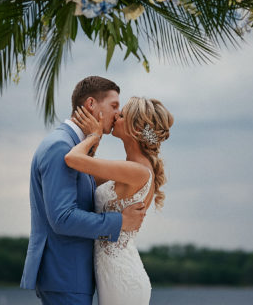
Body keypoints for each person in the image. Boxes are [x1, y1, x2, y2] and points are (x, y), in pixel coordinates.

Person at [20, 76, 146, 305]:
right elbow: (62, 218)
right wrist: (120, 221)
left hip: (70, 275)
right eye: (114, 106)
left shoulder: (72, 147)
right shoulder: (61, 147)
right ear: (90, 105)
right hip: (66, 273)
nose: (118, 114)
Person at [65, 96, 174, 305]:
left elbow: (72, 159)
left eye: (122, 114)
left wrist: (94, 136)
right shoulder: (130, 167)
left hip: (122, 278)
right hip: (112, 274)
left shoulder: (136, 170)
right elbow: (86, 177)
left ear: (135, 128)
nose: (116, 116)